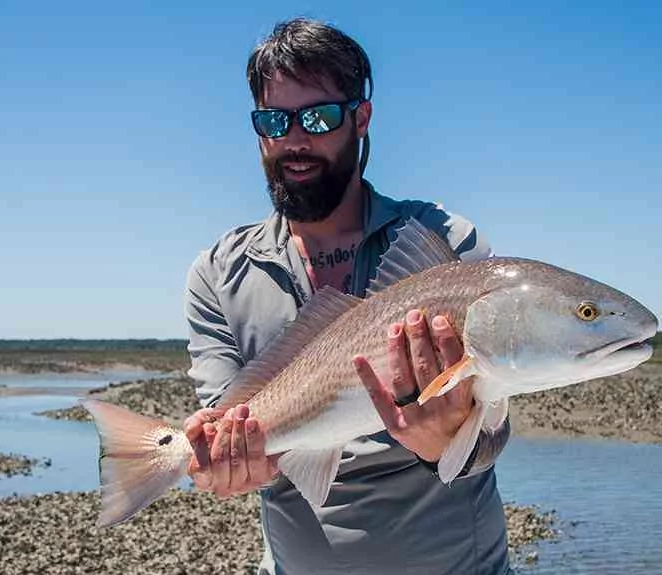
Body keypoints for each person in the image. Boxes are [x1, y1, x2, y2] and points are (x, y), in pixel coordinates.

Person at [182, 18, 513, 575]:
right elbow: (224, 423)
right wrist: (222, 463)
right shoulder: (219, 272)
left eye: (318, 117)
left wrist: (446, 442)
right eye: (274, 120)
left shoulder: (441, 244)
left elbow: (493, 433)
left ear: (361, 118)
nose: (295, 140)